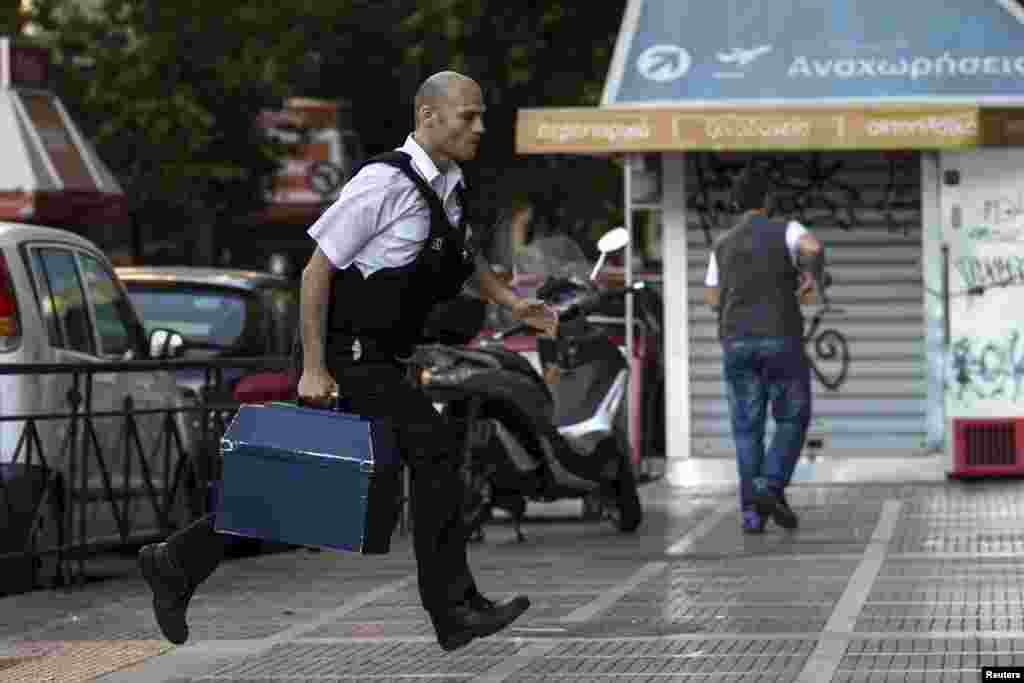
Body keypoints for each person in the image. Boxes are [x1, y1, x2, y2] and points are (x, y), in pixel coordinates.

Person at [137, 71, 558, 653]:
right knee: (433, 450)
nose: (480, 127)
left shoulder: (450, 185)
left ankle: (177, 561)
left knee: (315, 489)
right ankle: (452, 608)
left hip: (382, 357)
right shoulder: (381, 184)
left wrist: (515, 302)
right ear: (429, 116)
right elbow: (315, 272)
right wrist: (314, 367)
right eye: (469, 115)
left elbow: (466, 258)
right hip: (347, 356)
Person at [703, 165, 825, 534]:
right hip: (780, 337)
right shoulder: (786, 229)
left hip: (736, 341)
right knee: (791, 417)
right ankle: (769, 486)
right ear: (768, 200)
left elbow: (711, 298)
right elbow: (813, 248)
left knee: (746, 429)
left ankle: (752, 514)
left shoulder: (722, 244)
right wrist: (810, 276)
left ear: (738, 202)